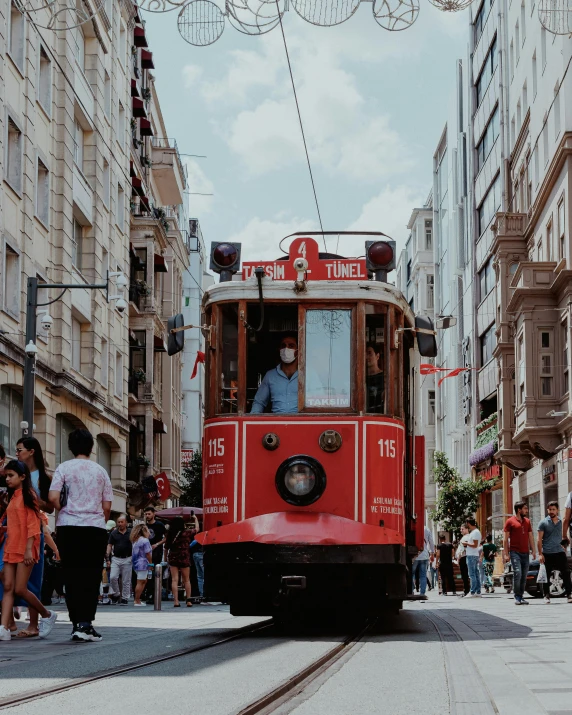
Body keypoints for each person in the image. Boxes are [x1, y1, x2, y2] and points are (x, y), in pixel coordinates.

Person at [49, 428, 112, 642]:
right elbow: (106, 505)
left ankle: (76, 623)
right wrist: (97, 518)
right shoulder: (100, 471)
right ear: (91, 447)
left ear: (70, 447)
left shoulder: (63, 468)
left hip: (68, 526)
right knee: (91, 575)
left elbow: (53, 497)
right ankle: (86, 623)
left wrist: (64, 509)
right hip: (94, 528)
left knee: (71, 575)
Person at [0, 460, 57, 641]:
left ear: (23, 477)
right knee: (8, 587)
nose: (7, 479)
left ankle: (47, 615)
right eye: (6, 475)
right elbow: (15, 523)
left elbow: (33, 524)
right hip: (11, 547)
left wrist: (28, 550)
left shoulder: (28, 495)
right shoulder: (13, 496)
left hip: (25, 548)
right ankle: (4, 628)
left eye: (11, 475)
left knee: (20, 589)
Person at [12, 437, 54, 638]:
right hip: (14, 532)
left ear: (31, 451)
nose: (18, 452)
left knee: (33, 579)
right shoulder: (16, 474)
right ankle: (11, 620)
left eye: (20, 449)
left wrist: (35, 500)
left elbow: (50, 506)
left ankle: (34, 623)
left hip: (33, 531)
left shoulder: (42, 478)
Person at [251, 334, 298, 414]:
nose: (286, 349)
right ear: (279, 350)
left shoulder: (308, 375)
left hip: (301, 423)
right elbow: (259, 402)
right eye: (283, 346)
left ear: (297, 351)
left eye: (291, 345)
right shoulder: (270, 376)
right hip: (276, 423)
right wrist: (253, 422)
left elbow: (317, 402)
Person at [537, 500, 572, 605]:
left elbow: (565, 536)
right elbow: (539, 539)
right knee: (546, 575)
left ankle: (569, 595)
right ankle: (546, 596)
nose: (551, 511)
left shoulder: (562, 521)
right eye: (550, 509)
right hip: (547, 553)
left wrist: (565, 545)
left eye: (553, 509)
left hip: (560, 552)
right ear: (547, 510)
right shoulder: (543, 523)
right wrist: (540, 554)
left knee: (566, 573)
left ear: (557, 510)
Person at [503, 501, 536, 606]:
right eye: (525, 508)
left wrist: (534, 550)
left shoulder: (527, 521)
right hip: (514, 552)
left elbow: (530, 536)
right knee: (518, 573)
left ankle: (521, 596)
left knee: (524, 575)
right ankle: (517, 596)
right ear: (519, 510)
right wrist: (506, 554)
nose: (527, 510)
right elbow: (505, 539)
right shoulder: (510, 521)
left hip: (525, 553)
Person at [166, 516, 193, 607]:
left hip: (173, 556)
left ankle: (176, 601)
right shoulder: (186, 533)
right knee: (186, 580)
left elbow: (166, 547)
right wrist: (195, 519)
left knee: (174, 580)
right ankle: (189, 601)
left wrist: (166, 557)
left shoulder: (170, 533)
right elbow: (197, 529)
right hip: (184, 556)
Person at [106, 515, 132, 605]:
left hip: (127, 558)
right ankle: (116, 594)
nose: (120, 524)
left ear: (126, 523)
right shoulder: (114, 533)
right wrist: (107, 557)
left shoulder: (130, 532)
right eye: (118, 522)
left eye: (122, 522)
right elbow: (109, 545)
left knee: (126, 580)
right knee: (113, 577)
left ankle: (125, 597)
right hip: (116, 558)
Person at [410, 526, 434, 599]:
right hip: (424, 554)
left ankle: (411, 591)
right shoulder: (427, 529)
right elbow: (431, 541)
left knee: (411, 574)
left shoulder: (412, 526)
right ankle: (422, 593)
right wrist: (432, 552)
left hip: (414, 555)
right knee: (423, 575)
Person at [131, 524, 152, 607]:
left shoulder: (136, 540)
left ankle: (137, 599)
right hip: (143, 563)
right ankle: (137, 600)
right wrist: (151, 563)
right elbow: (148, 553)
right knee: (141, 581)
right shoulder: (145, 541)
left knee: (142, 581)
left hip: (136, 562)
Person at [464, 517, 482, 598]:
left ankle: (472, 591)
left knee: (472, 574)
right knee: (476, 573)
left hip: (472, 555)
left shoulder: (475, 532)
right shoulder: (475, 532)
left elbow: (475, 545)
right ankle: (478, 591)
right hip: (474, 555)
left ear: (468, 523)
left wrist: (466, 543)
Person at [365, 343, 384, 413]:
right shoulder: (360, 378)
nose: (366, 357)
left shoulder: (385, 377)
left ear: (377, 356)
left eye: (369, 353)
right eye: (364, 354)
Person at [455, 525, 470, 596]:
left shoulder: (466, 538)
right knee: (465, 575)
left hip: (463, 558)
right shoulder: (466, 537)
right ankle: (467, 590)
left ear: (467, 529)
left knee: (464, 575)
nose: (461, 530)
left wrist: (459, 558)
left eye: (462, 529)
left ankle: (466, 590)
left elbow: (463, 549)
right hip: (464, 557)